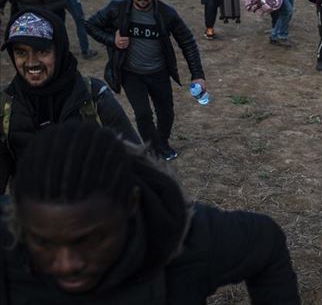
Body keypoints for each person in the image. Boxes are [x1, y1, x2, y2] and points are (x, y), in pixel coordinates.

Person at [0, 121, 301, 303]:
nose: (65, 264)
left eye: (87, 240)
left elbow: (266, 240)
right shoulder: (7, 245)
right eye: (42, 242)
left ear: (131, 205)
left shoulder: (185, 242)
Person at [0, 9, 140, 193]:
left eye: (42, 51)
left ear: (59, 49)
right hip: (32, 216)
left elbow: (137, 165)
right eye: (21, 53)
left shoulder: (94, 97)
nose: (31, 62)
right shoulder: (6, 106)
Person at [86, 0, 206, 161]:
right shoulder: (118, 8)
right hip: (131, 73)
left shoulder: (166, 13)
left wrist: (198, 75)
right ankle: (153, 148)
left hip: (158, 71)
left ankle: (162, 142)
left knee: (166, 111)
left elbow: (187, 42)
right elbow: (90, 25)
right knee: (143, 114)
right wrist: (112, 40)